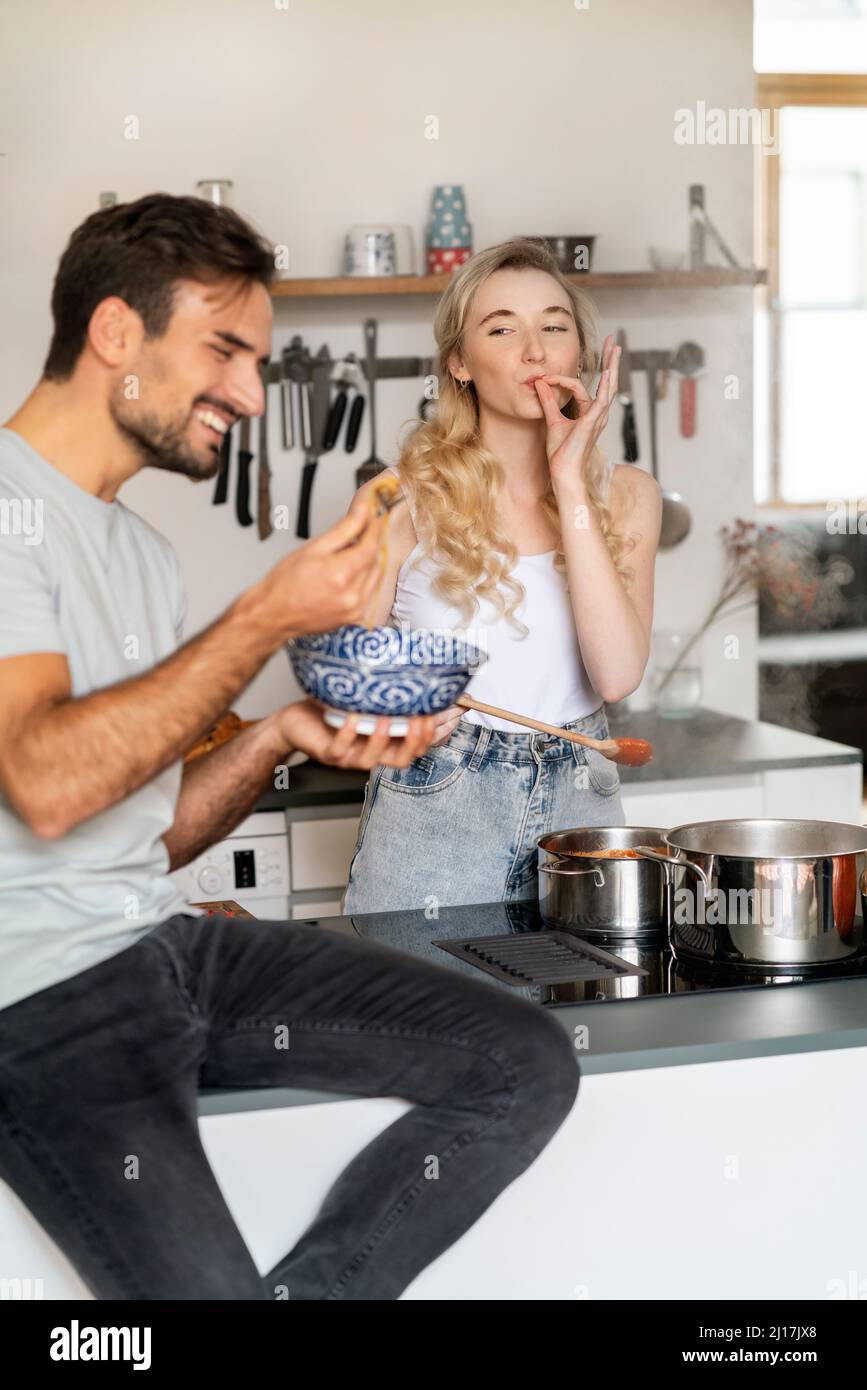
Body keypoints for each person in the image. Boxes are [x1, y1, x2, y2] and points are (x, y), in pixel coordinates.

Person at [0, 195, 579, 1300]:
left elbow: (148, 832)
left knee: (525, 1062)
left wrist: (280, 733)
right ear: (115, 333)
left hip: (163, 952)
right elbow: (44, 782)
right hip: (36, 997)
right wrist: (266, 617)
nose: (251, 394)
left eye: (259, 360)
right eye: (225, 349)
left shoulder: (137, 550)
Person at [343, 239, 661, 914]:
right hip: (435, 808)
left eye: (552, 325)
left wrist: (570, 482)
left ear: (577, 349)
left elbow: (615, 676)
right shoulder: (395, 500)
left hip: (582, 807)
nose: (534, 350)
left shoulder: (628, 494)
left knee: (581, 1020)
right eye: (500, 328)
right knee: (430, 1021)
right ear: (459, 361)